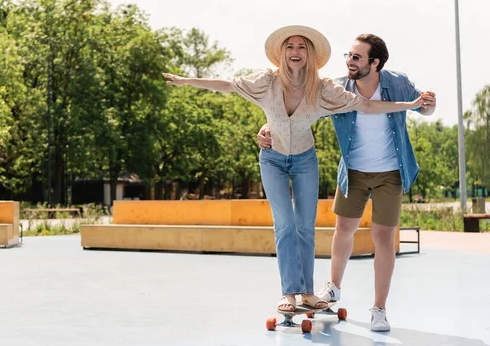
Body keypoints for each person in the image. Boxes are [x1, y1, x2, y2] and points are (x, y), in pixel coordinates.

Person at [163, 25, 426, 315]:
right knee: (285, 223)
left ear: (310, 54)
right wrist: (186, 81)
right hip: (272, 159)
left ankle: (308, 292)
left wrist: (411, 105)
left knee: (305, 226)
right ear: (282, 54)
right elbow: (227, 84)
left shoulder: (324, 89)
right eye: (290, 47)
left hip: (305, 160)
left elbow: (365, 106)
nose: (295, 52)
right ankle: (289, 292)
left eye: (302, 47)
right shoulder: (266, 82)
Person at [257, 33, 436, 331]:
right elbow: (296, 113)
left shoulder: (397, 83)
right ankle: (334, 288)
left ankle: (379, 309)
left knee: (383, 238)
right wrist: (266, 127)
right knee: (344, 230)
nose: (349, 62)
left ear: (375, 62)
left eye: (356, 57)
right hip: (352, 171)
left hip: (390, 172)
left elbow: (422, 108)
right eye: (348, 56)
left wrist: (428, 104)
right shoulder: (337, 87)